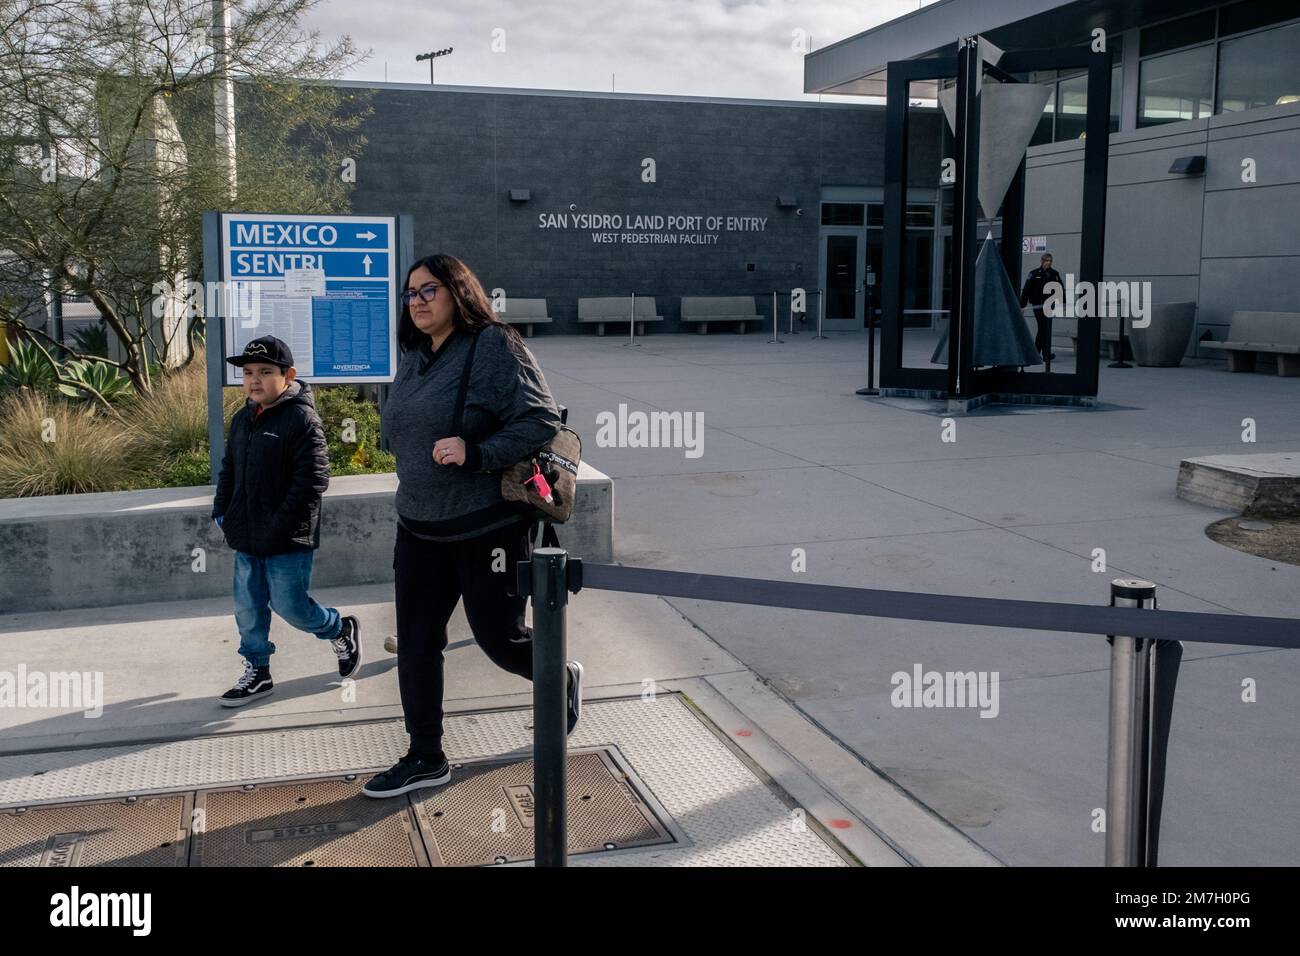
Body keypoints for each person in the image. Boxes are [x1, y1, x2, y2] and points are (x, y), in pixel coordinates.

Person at [363, 254, 583, 799]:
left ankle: (558, 676)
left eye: (427, 290)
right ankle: (425, 755)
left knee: (498, 639)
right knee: (416, 644)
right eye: (409, 293)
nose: (415, 301)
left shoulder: (494, 345)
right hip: (417, 526)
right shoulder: (414, 353)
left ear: (458, 291)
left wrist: (477, 451)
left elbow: (541, 420)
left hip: (487, 527)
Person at [211, 336, 361, 706]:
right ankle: (257, 670)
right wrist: (221, 510)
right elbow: (230, 469)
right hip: (246, 533)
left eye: (265, 372)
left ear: (288, 375)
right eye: (247, 373)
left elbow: (313, 481)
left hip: (287, 539)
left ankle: (338, 628)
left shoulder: (301, 418)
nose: (254, 380)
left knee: (290, 606)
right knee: (247, 606)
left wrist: (276, 527)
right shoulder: (243, 418)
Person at [1019, 252, 1062, 363]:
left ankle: (1037, 352)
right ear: (1042, 261)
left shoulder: (1054, 274)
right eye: (1047, 261)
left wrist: (1063, 302)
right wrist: (1021, 306)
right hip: (1037, 306)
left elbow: (1060, 288)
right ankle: (1045, 354)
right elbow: (1026, 290)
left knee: (1044, 328)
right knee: (1043, 327)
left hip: (1049, 304)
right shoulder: (1034, 274)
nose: (1049, 263)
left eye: (1050, 261)